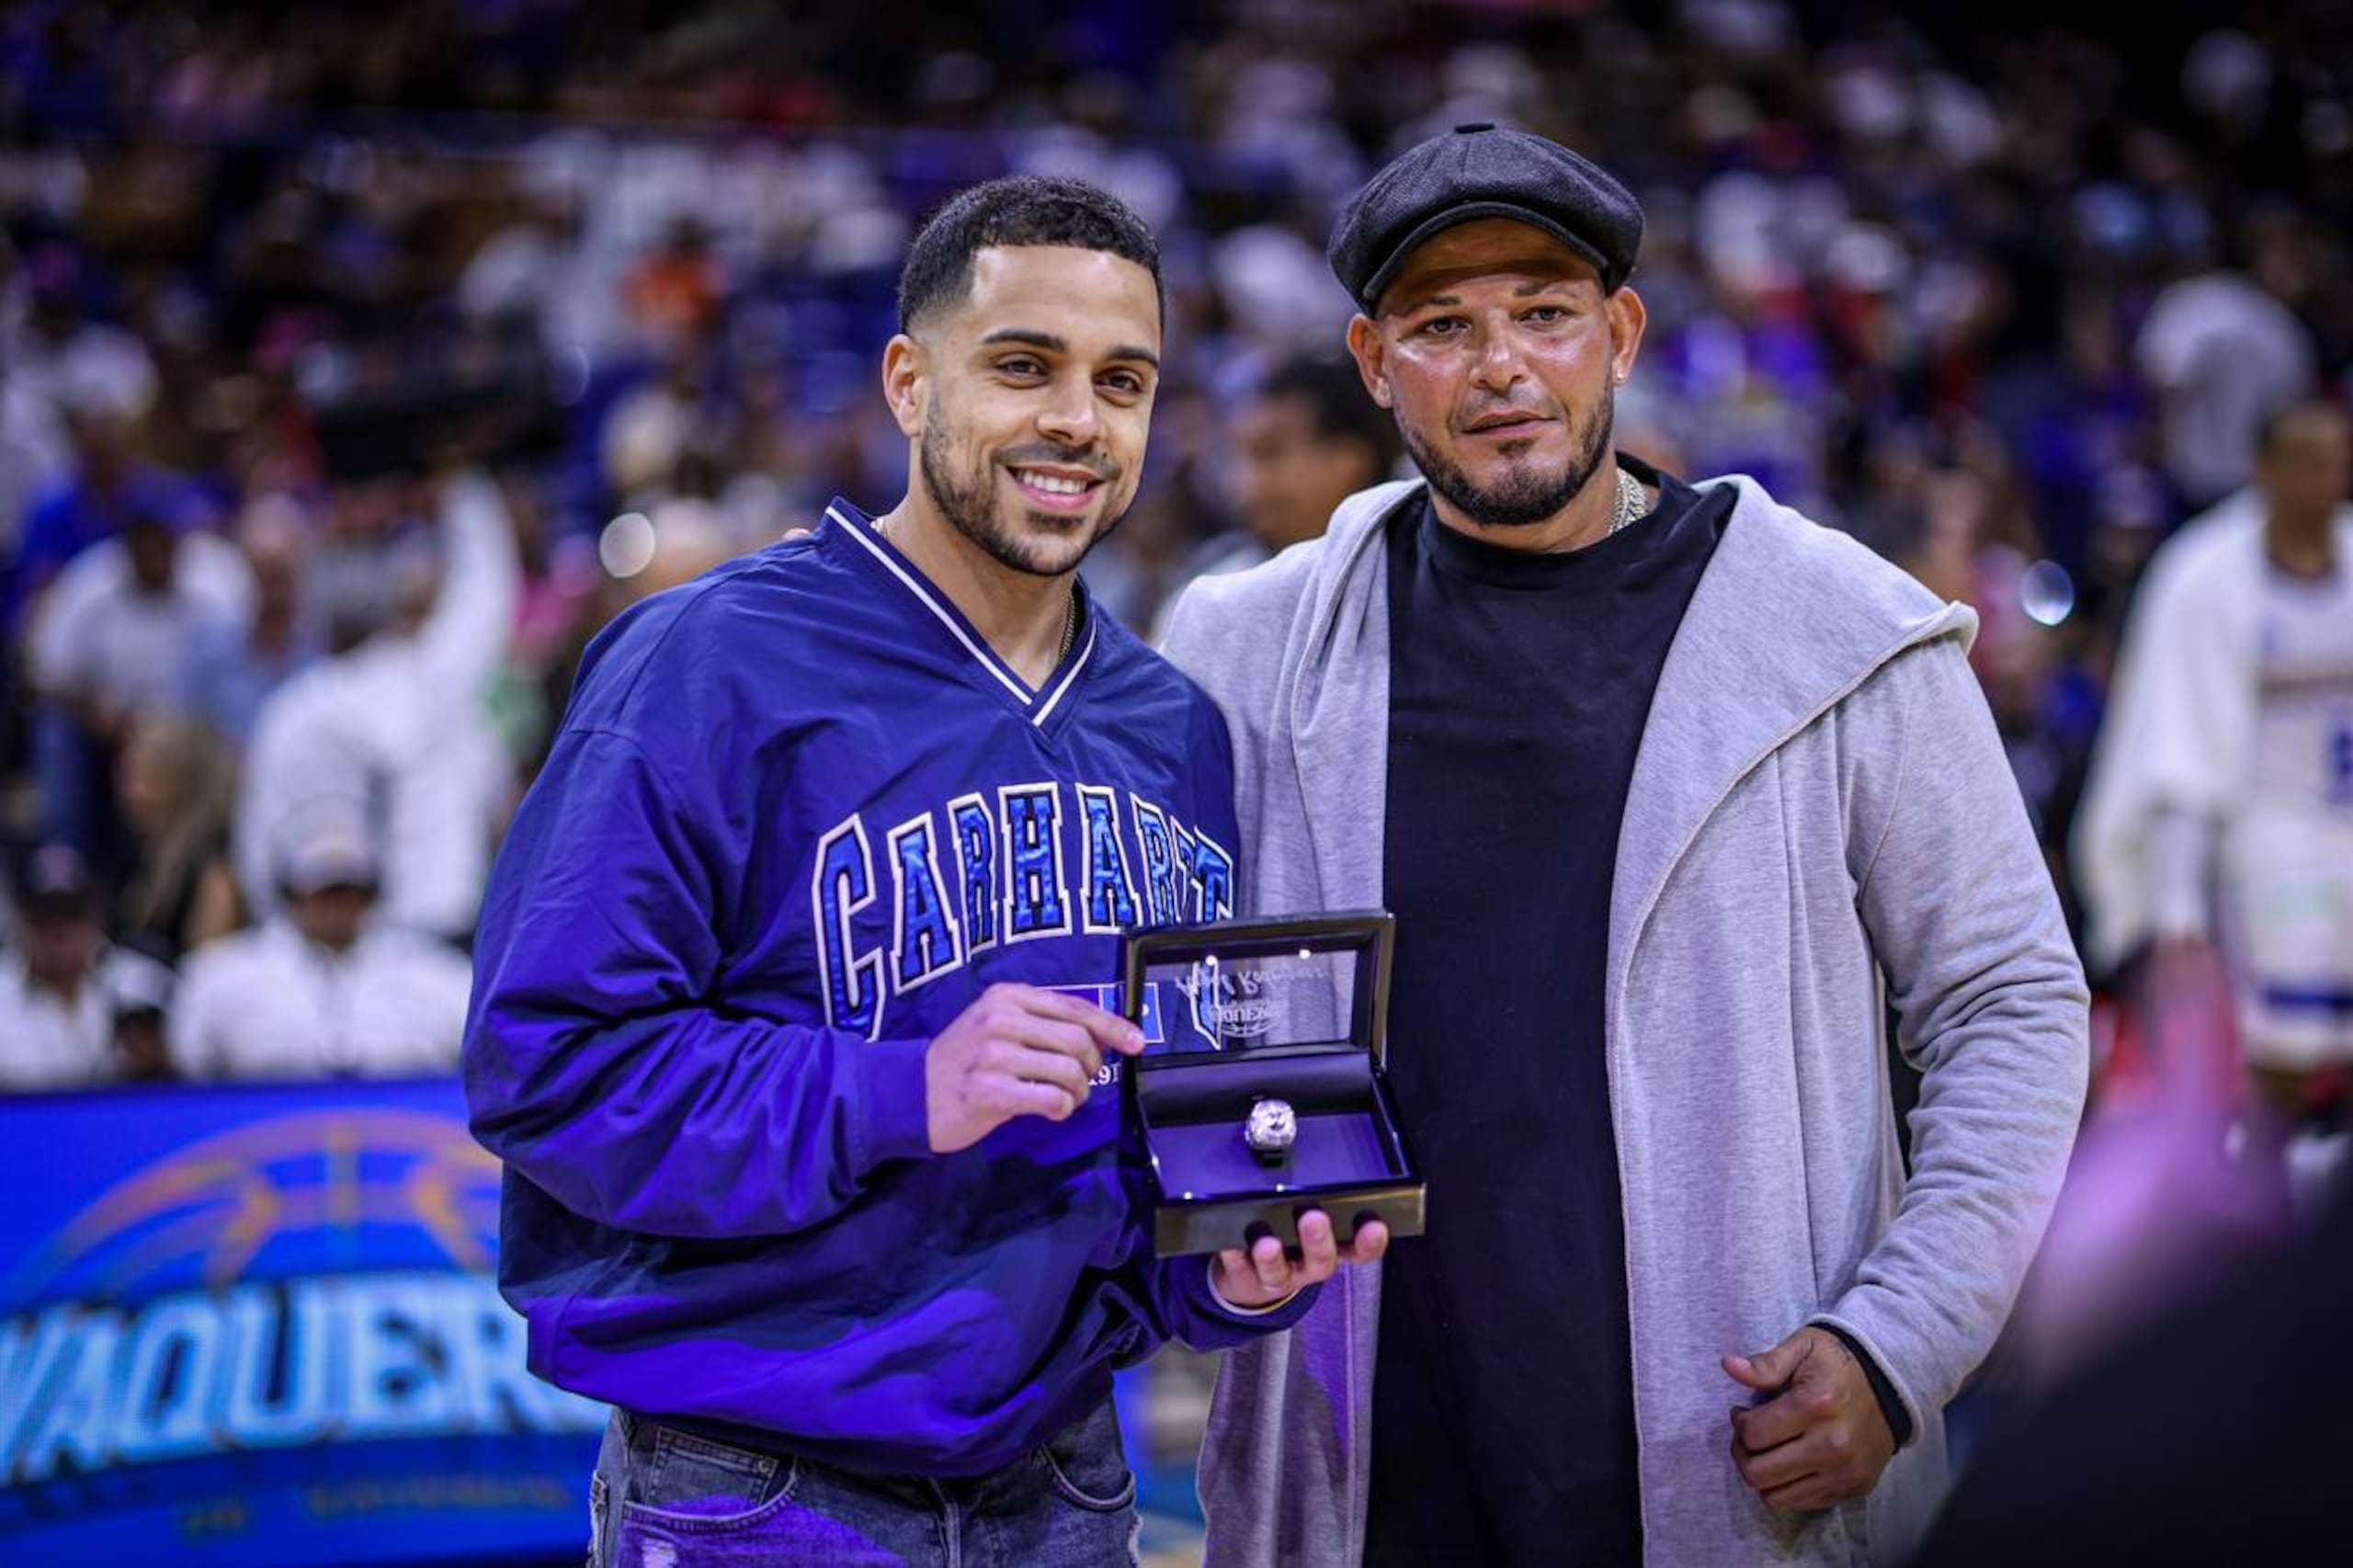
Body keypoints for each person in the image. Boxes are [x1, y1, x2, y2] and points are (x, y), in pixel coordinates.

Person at [1160, 124, 2089, 1566]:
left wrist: (1898, 1347)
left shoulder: (1842, 635)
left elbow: (2011, 1001)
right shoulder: (1247, 648)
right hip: (1363, 1485)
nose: (1501, 366)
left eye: (1544, 313)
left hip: (1739, 1469)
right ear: (1369, 360)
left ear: (1623, 332)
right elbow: (1189, 1037)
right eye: (1442, 327)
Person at [462, 176, 1380, 1568]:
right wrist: (903, 1088)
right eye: (1024, 366)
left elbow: (1138, 1180)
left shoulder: (1171, 724)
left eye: (1120, 380)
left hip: (1069, 1486)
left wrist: (1231, 1270)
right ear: (908, 381)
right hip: (760, 1494)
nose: (1077, 418)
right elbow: (550, 1066)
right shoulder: (706, 665)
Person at [2075, 400, 2353, 1162]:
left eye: (2335, 456)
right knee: (2285, 1060)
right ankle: (2263, 1217)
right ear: (2261, 469)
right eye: (2304, 458)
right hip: (2270, 838)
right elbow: (2179, 758)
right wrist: (2176, 907)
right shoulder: (2205, 579)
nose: (2324, 474)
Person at [171, 812, 472, 1080]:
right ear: (292, 896)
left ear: (371, 896)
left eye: (350, 892)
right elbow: (186, 1069)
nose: (337, 908)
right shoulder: (221, 974)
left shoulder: (437, 974)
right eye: (324, 893)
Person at [0, 843, 176, 1090]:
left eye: (72, 915)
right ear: (20, 918)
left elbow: (194, 1087)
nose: (60, 932)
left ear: (97, 914)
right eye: (45, 917)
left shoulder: (144, 984)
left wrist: (160, 1066)